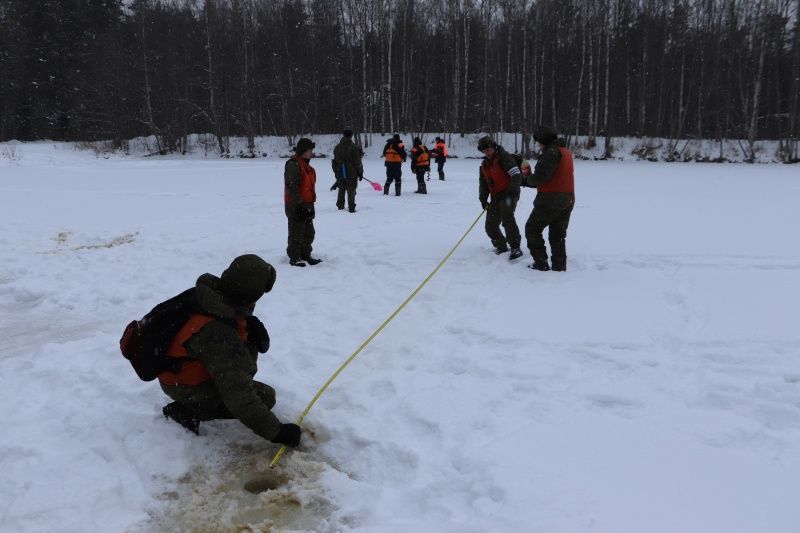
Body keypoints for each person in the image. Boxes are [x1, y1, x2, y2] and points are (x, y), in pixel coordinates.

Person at [160, 254, 302, 448]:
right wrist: (278, 433)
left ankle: (195, 400)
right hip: (183, 385)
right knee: (265, 397)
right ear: (251, 294)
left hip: (175, 370)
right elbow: (240, 397)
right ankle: (189, 410)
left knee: (239, 381)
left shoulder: (207, 296)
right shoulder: (219, 332)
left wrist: (247, 328)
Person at [520, 126, 575, 271]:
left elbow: (540, 177)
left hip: (552, 198)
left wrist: (526, 180)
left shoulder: (551, 152)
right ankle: (559, 266)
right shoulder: (565, 151)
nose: (538, 145)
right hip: (568, 197)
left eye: (539, 142)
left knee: (532, 229)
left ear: (544, 140)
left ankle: (540, 262)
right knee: (557, 235)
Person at [477, 136, 523, 261]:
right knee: (490, 226)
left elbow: (516, 175)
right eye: (484, 150)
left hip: (509, 194)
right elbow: (483, 184)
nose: (486, 152)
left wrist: (511, 192)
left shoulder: (504, 158)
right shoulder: (484, 165)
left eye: (488, 149)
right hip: (496, 197)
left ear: (494, 147)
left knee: (507, 218)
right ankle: (501, 246)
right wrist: (483, 199)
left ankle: (515, 247)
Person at [284, 137, 322, 267]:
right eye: (310, 150)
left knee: (308, 232)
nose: (312, 152)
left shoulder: (308, 167)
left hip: (308, 204)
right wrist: (299, 204)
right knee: (296, 232)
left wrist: (308, 205)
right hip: (296, 205)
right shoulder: (293, 165)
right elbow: (292, 187)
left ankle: (306, 255)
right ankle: (294, 258)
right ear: (303, 151)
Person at [332, 129, 364, 213]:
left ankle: (340, 206)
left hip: (340, 171)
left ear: (343, 135)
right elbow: (357, 162)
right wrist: (360, 172)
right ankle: (351, 207)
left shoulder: (337, 147)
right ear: (351, 136)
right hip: (351, 172)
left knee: (341, 188)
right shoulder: (353, 147)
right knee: (351, 189)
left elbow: (335, 161)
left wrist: (337, 172)